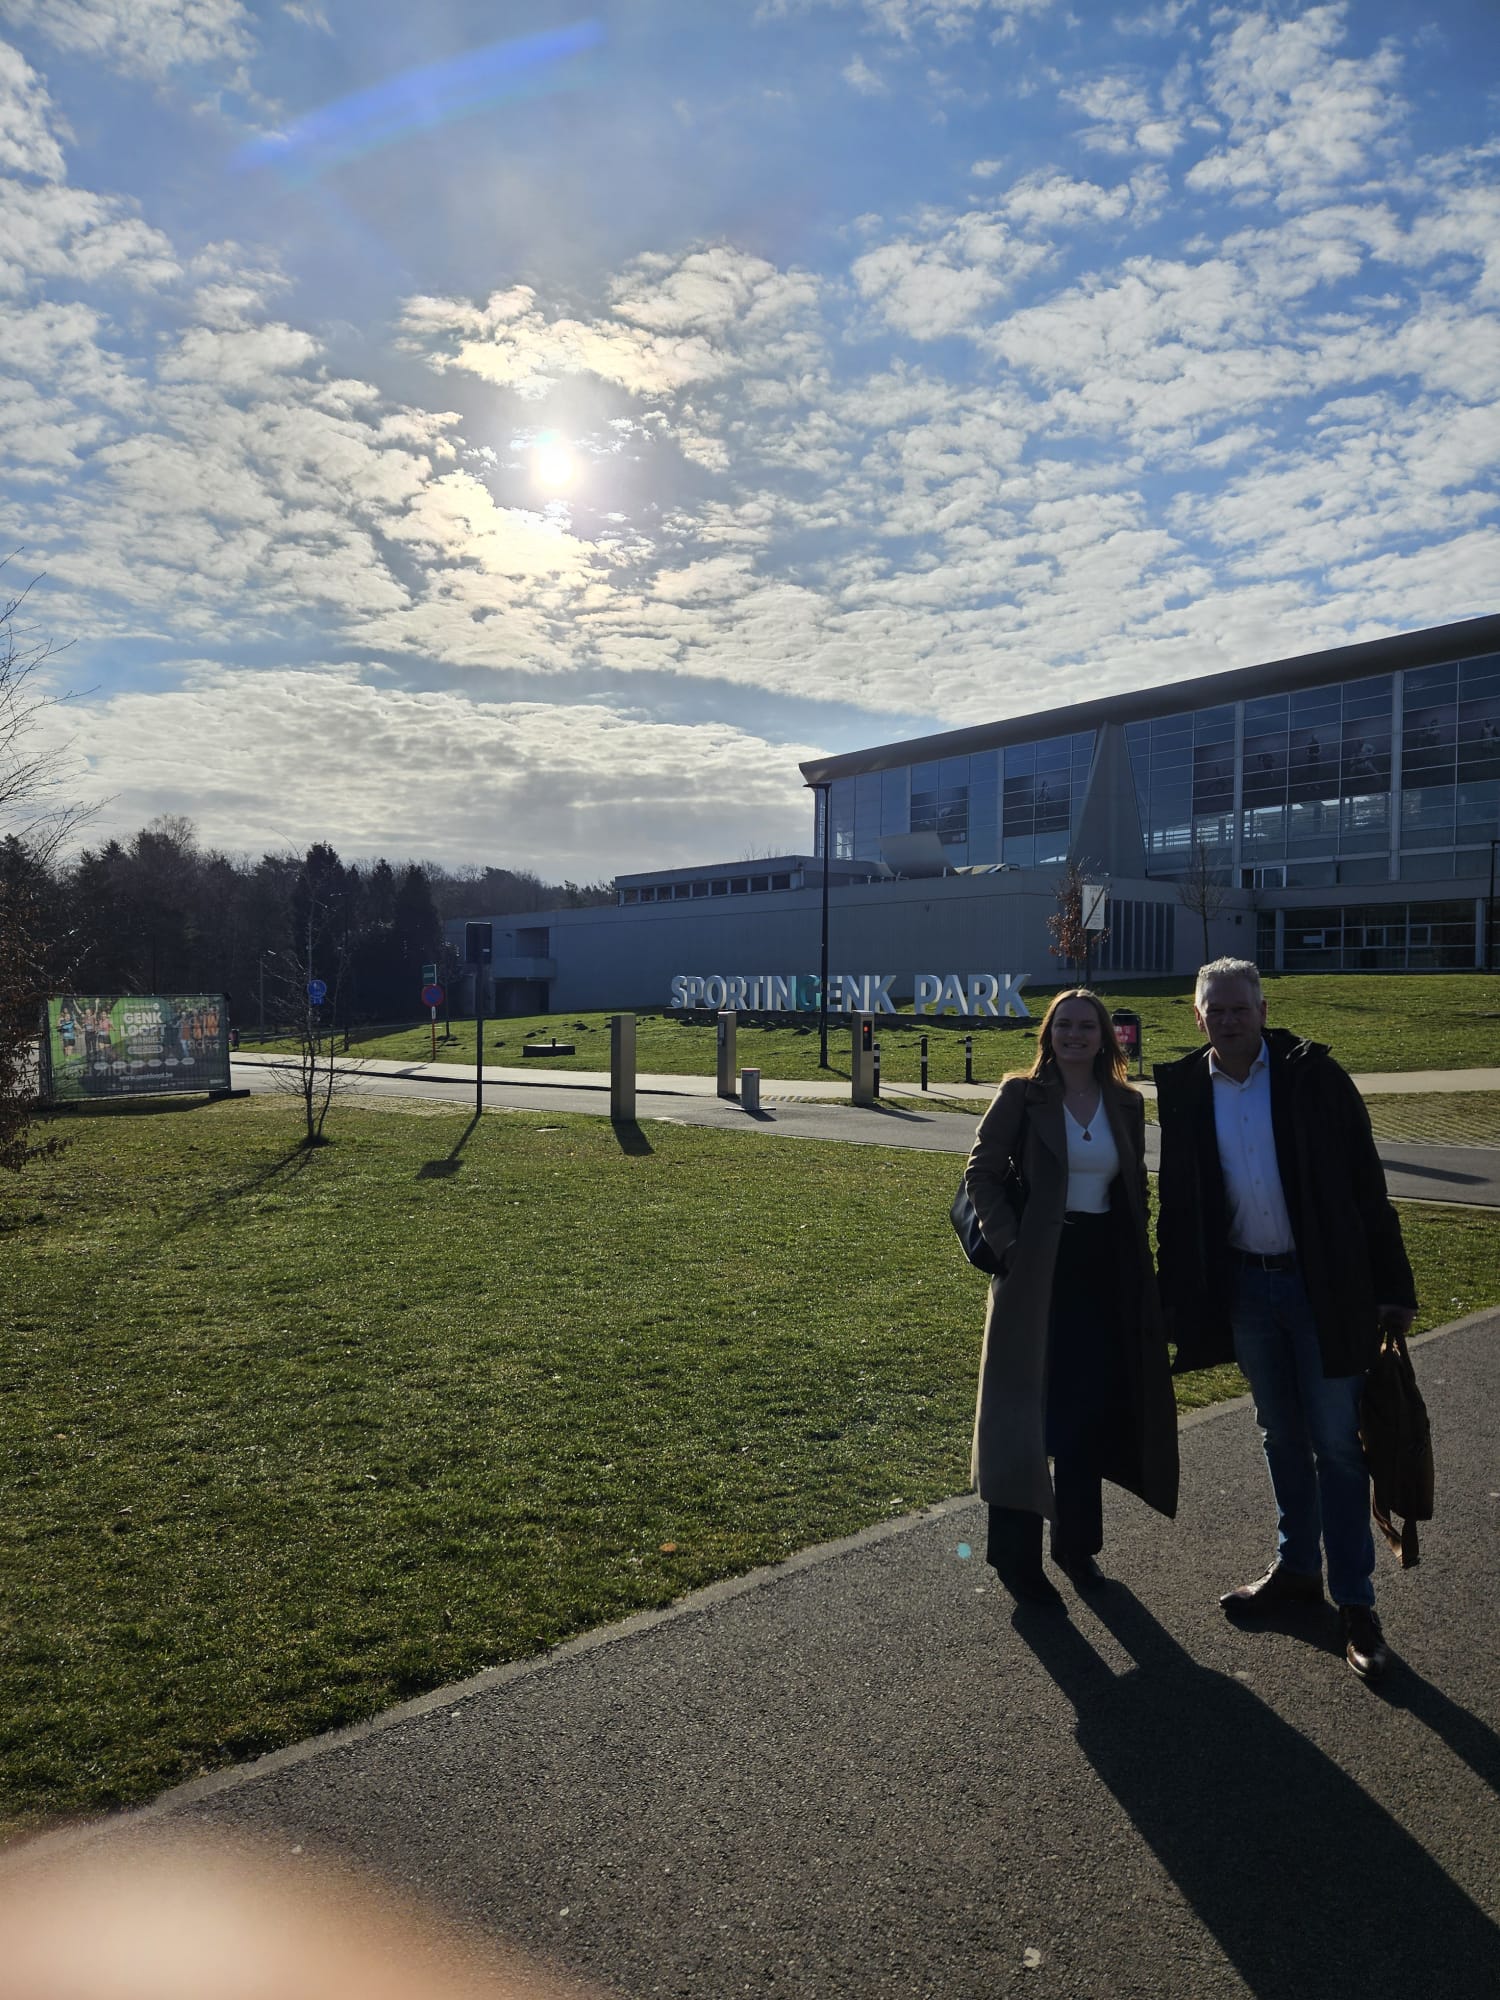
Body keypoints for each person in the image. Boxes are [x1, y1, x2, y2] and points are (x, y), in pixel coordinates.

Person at [1154, 958, 1417, 1684]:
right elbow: (1179, 1202)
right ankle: (1297, 1568)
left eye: (1240, 1007)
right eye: (1216, 1010)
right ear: (1198, 1017)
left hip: (1321, 1287)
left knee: (1337, 1445)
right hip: (1246, 1288)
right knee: (1279, 1434)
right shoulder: (1185, 1088)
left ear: (1263, 1010)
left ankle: (1356, 1604)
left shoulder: (1314, 1077)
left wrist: (1393, 1287)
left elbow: (1366, 1182)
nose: (1229, 1020)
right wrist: (1172, 1298)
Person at [965, 988, 1179, 1608]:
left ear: (1105, 1036)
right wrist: (1012, 1246)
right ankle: (1016, 1561)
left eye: (1087, 1025)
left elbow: (1134, 1185)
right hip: (1035, 1272)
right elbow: (981, 1172)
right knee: (1021, 1413)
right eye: (1064, 1025)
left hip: (1103, 1272)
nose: (1075, 1035)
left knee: (1085, 1410)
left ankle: (1077, 1547)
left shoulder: (1126, 1102)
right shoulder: (1021, 1094)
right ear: (1049, 1033)